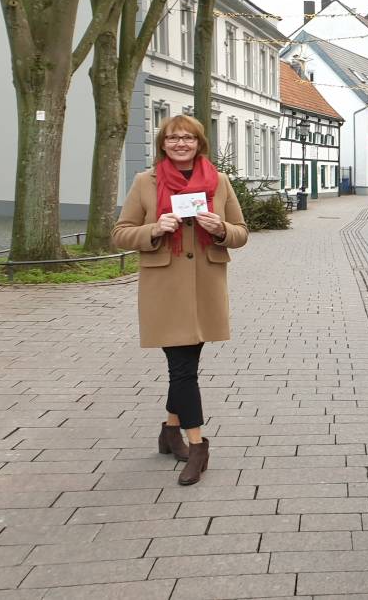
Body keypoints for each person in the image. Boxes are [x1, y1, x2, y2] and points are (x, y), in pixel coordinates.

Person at [112, 114, 248, 486]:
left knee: (185, 368)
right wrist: (154, 229)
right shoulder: (146, 182)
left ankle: (170, 431)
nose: (180, 143)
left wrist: (221, 229)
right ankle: (198, 445)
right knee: (183, 369)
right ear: (163, 144)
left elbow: (241, 232)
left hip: (205, 288)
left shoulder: (218, 181)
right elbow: (120, 233)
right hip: (165, 290)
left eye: (188, 137)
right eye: (173, 138)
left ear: (199, 143)